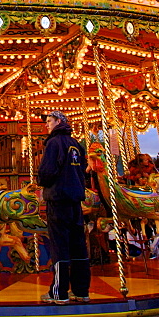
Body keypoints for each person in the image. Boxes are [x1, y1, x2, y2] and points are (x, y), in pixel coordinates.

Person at [37, 111, 90, 305]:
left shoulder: (54, 143)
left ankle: (59, 292)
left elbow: (47, 171)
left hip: (58, 199)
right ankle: (82, 290)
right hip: (75, 200)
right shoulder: (76, 144)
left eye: (49, 121)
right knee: (78, 245)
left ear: (59, 121)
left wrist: (41, 180)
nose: (47, 125)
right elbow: (82, 169)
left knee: (59, 246)